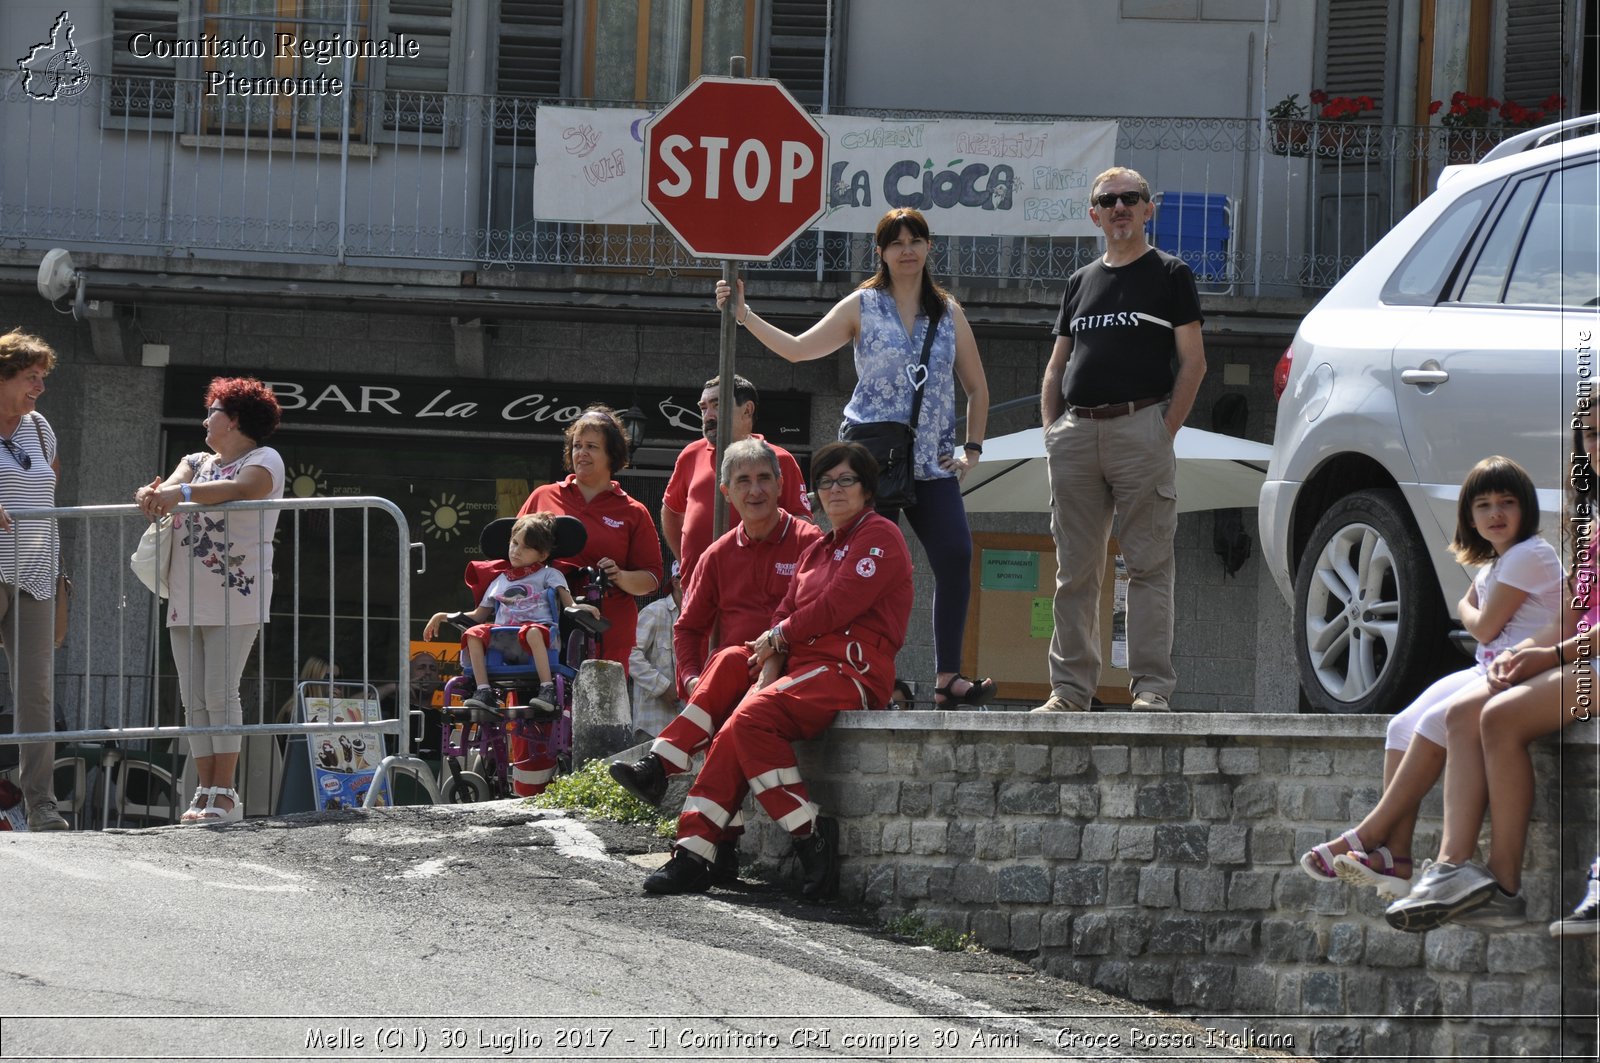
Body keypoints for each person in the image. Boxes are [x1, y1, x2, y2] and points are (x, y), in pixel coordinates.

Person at [716, 207, 994, 709]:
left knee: (955, 556)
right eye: (896, 241)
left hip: (932, 461)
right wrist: (745, 315)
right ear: (881, 252)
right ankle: (856, 669)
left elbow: (976, 387)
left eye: (915, 240)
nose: (906, 249)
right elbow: (800, 351)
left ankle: (946, 676)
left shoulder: (949, 313)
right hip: (872, 464)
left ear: (930, 247)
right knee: (857, 569)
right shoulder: (863, 305)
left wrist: (971, 448)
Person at [638, 441, 913, 898]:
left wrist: (777, 643)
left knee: (745, 721)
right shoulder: (820, 548)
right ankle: (692, 848)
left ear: (867, 489)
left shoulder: (880, 535)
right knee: (729, 667)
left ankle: (805, 833)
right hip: (801, 668)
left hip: (849, 672)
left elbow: (836, 605)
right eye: (826, 482)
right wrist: (771, 657)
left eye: (847, 480)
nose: (835, 490)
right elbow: (784, 612)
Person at [1297, 456, 1561, 896]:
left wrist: (1462, 605)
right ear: (1469, 517)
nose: (1495, 513)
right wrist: (1471, 604)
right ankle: (1394, 856)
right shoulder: (1494, 565)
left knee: (1442, 720)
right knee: (1401, 726)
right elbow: (1484, 629)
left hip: (1523, 667)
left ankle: (1367, 834)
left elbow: (1483, 627)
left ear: (1526, 509)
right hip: (1488, 665)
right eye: (1483, 505)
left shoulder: (1529, 554)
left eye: (1507, 502)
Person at [1385, 406, 1598, 931]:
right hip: (1581, 655)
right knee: (1478, 714)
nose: (1599, 443)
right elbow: (1574, 611)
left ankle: (1490, 880)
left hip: (1589, 664)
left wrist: (1552, 655)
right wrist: (1528, 650)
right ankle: (1465, 873)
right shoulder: (1592, 521)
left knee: (1496, 716)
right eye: (1592, 432)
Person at [1031, 167, 1207, 714]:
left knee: (1148, 566)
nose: (1120, 207)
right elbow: (1058, 362)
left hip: (1141, 428)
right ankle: (1069, 692)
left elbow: (1194, 362)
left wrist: (1162, 430)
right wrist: (1053, 430)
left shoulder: (1171, 274)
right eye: (1108, 200)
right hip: (1076, 434)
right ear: (1094, 215)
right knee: (1074, 571)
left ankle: (1152, 689)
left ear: (1148, 209)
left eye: (1131, 198)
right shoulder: (1080, 281)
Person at [610, 438, 823, 863]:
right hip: (737, 678)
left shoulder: (809, 541)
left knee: (727, 675)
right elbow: (687, 629)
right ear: (726, 493)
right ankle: (721, 846)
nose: (755, 490)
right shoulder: (716, 554)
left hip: (793, 672)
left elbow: (817, 616)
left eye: (764, 479)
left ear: (781, 485)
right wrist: (690, 680)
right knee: (725, 671)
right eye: (743, 481)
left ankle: (685, 804)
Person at [136, 376, 284, 825]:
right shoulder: (196, 460)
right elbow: (174, 483)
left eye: (213, 411)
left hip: (236, 594)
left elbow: (242, 489)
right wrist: (152, 493)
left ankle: (226, 796)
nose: (205, 419)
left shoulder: (265, 459)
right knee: (192, 697)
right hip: (186, 590)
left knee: (221, 693)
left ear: (235, 418)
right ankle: (203, 792)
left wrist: (175, 494)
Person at [517, 407, 663, 670]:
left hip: (607, 632)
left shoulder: (633, 512)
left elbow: (651, 579)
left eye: (592, 446)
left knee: (599, 709)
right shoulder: (542, 497)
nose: (581, 453)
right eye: (577, 445)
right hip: (540, 625)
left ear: (612, 455)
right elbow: (513, 553)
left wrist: (618, 575)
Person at [0, 329, 66, 831]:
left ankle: (41, 805)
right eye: (29, 377)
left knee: (37, 693)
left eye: (42, 377)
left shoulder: (39, 428)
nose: (38, 387)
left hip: (36, 574)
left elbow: (49, 482)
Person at [660, 374, 809, 585]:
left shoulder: (779, 459)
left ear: (747, 410)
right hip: (697, 592)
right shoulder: (691, 454)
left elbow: (802, 525)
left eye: (717, 405)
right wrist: (685, 563)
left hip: (757, 595)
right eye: (703, 408)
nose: (708, 416)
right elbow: (671, 511)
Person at [422, 512, 575, 714]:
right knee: (473, 634)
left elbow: (569, 604)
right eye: (514, 543)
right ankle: (484, 691)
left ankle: (547, 689)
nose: (516, 551)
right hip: (506, 640)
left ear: (543, 555)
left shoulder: (549, 574)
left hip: (541, 638)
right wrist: (442, 616)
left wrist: (584, 608)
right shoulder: (499, 581)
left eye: (526, 547)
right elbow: (478, 616)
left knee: (532, 631)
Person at [628, 561, 682, 742]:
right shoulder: (655, 612)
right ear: (676, 582)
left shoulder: (699, 619)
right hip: (652, 724)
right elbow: (631, 655)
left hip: (685, 725)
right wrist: (663, 686)